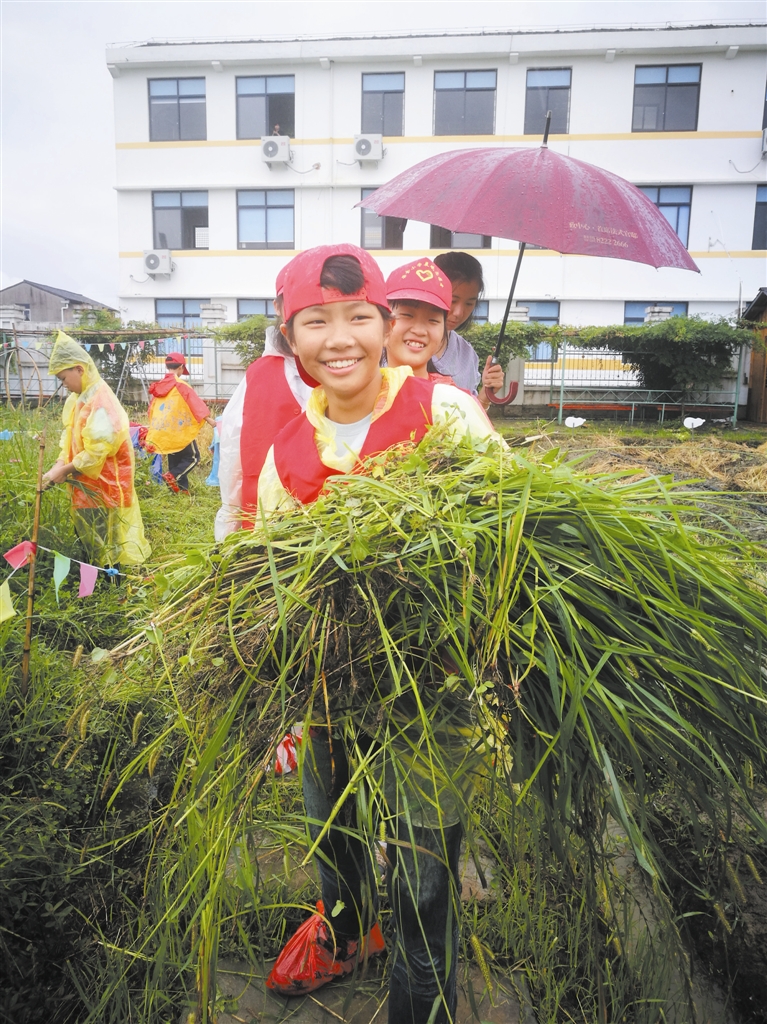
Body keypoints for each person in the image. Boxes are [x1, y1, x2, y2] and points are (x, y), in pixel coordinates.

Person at [257, 244, 502, 1024]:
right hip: (329, 693)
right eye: (315, 322)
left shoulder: (443, 413)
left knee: (424, 884)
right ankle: (343, 933)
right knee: (333, 832)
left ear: (381, 323)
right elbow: (269, 581)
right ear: (290, 338)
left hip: (430, 693)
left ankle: (418, 1006)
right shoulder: (286, 452)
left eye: (358, 318)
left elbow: (510, 531)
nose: (339, 339)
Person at [214, 262, 314, 541]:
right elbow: (233, 450)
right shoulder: (257, 374)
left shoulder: (343, 371)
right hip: (262, 518)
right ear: (278, 307)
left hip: (326, 520)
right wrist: (231, 521)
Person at [43, 331, 151, 567]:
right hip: (85, 485)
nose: (63, 384)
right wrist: (59, 465)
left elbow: (97, 451)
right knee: (90, 543)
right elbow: (70, 437)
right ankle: (93, 579)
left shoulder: (101, 402)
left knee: (108, 546)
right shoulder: (80, 398)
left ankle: (110, 583)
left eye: (64, 378)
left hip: (105, 488)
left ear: (79, 369)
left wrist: (64, 471)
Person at [432, 252, 506, 409]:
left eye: (469, 303)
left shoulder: (467, 355)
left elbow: (469, 416)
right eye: (453, 300)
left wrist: (485, 395)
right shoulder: (399, 344)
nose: (459, 313)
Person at [145, 352, 216, 494]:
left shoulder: (159, 386)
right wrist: (209, 420)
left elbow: (151, 409)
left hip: (164, 430)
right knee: (193, 458)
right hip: (179, 430)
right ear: (181, 367)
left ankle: (180, 491)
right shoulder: (181, 385)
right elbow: (195, 403)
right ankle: (172, 476)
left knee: (175, 460)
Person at [383, 257, 458, 386]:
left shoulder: (449, 395)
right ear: (384, 322)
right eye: (407, 315)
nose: (419, 331)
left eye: (433, 320)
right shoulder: (359, 392)